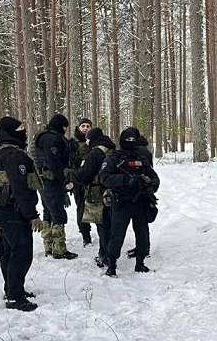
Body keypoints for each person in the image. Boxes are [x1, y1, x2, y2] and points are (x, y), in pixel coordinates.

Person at [0, 116, 44, 312]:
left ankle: (12, 289)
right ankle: (14, 297)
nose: (24, 131)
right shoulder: (14, 156)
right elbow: (19, 187)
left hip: (2, 211)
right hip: (13, 211)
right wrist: (32, 214)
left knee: (9, 252)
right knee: (21, 253)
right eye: (20, 128)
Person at [99, 126, 160, 277]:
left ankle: (140, 263)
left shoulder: (141, 158)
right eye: (128, 140)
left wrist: (149, 185)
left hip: (140, 201)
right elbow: (104, 178)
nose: (131, 142)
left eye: (133, 139)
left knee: (143, 233)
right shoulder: (113, 158)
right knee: (117, 234)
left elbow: (154, 177)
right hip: (121, 202)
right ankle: (111, 265)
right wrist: (125, 180)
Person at [32, 113, 77, 259]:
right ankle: (59, 249)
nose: (66, 130)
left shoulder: (41, 136)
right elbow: (54, 162)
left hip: (42, 180)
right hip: (51, 180)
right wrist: (65, 180)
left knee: (48, 211)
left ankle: (48, 246)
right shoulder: (52, 139)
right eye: (65, 127)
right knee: (58, 213)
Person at [77, 128, 117, 268]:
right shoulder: (112, 150)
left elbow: (84, 175)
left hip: (98, 193)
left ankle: (106, 256)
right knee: (110, 224)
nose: (86, 142)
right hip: (113, 193)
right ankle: (105, 253)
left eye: (87, 139)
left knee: (102, 226)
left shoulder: (94, 153)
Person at [69, 118, 93, 246]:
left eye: (87, 126)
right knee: (81, 208)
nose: (85, 128)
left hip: (93, 181)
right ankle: (85, 234)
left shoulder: (95, 141)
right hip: (78, 180)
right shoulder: (73, 143)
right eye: (82, 126)